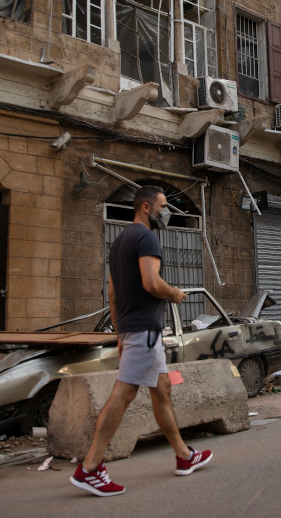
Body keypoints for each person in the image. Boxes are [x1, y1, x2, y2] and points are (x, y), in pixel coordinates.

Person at [70, 185, 212, 497]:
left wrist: (120, 335)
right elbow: (151, 283)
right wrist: (174, 293)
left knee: (161, 390)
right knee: (124, 393)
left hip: (135, 330)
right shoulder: (146, 237)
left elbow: (112, 294)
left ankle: (184, 457)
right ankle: (90, 468)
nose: (166, 212)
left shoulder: (119, 241)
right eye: (162, 206)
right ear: (146, 208)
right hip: (145, 330)